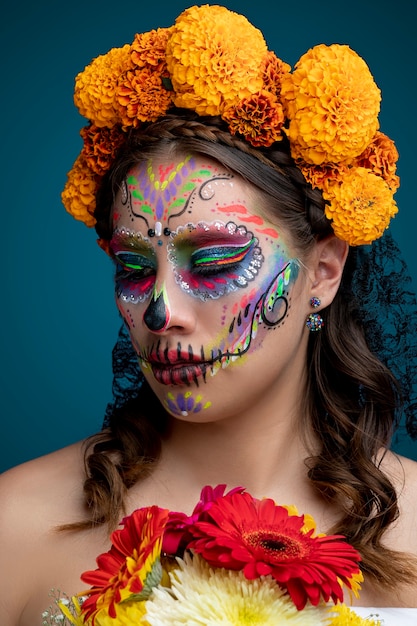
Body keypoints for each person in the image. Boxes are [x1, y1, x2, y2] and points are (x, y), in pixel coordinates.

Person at [1, 4, 417, 625]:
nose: (161, 310)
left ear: (323, 274)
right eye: (135, 270)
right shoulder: (17, 526)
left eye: (216, 261)